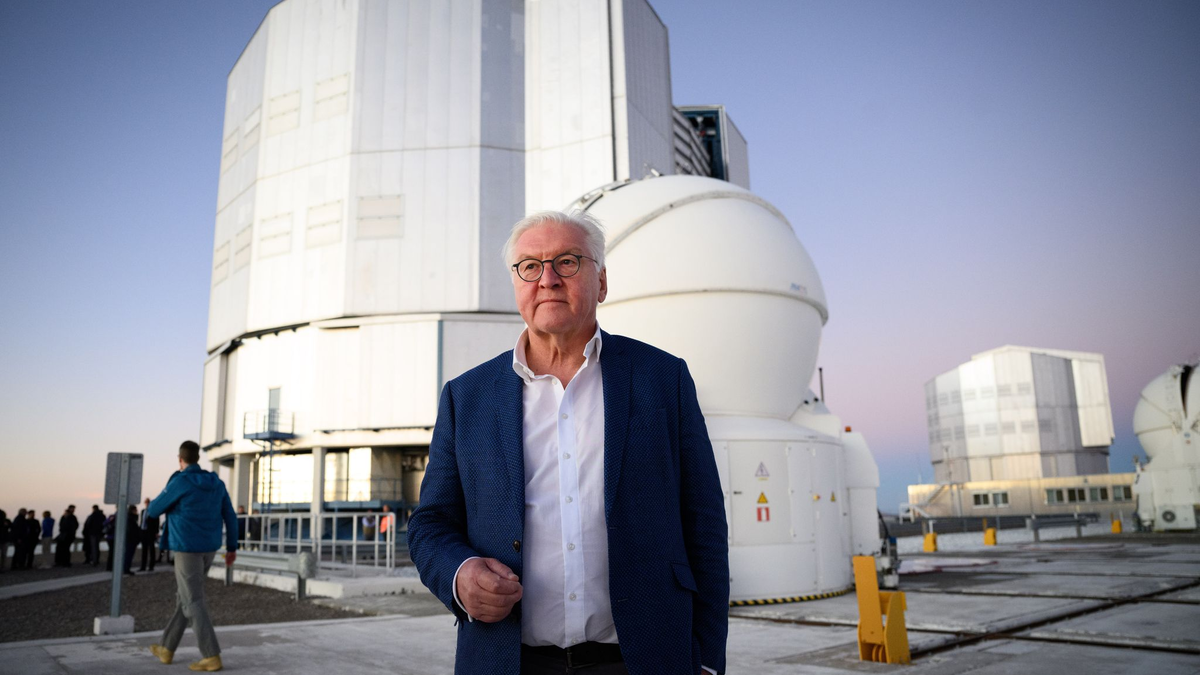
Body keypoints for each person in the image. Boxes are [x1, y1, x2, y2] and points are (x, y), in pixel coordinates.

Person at [407, 211, 729, 675]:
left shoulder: (663, 379)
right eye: (530, 266)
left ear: (600, 282)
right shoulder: (467, 396)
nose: (548, 279)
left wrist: (708, 660)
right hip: (508, 660)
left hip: (644, 658)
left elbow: (704, 524)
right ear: (516, 284)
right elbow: (431, 523)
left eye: (568, 262)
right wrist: (459, 575)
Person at [146, 440, 238, 672]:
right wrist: (231, 548)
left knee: (193, 601)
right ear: (198, 457)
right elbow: (230, 515)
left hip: (186, 548)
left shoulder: (181, 481)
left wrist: (171, 485)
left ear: (180, 459)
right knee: (186, 598)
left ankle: (211, 655)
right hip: (209, 549)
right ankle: (166, 648)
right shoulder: (216, 482)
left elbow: (153, 510)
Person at [140, 497, 161, 572]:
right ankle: (143, 566)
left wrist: (156, 532)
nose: (146, 504)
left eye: (147, 502)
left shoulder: (153, 511)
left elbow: (157, 522)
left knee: (151, 549)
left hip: (151, 532)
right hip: (143, 531)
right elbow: (141, 521)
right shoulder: (143, 511)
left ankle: (151, 566)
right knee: (144, 550)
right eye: (145, 502)